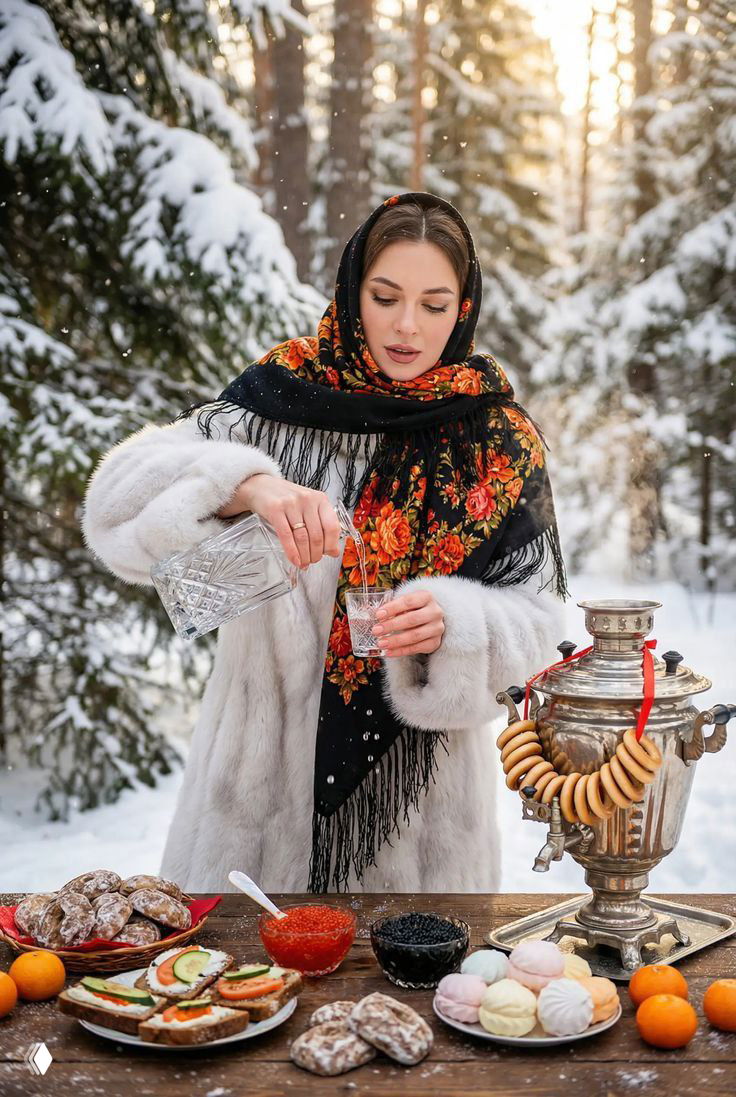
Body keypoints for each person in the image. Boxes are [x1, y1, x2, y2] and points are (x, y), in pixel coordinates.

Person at [82, 190, 568, 895]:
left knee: (412, 1002)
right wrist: (243, 484)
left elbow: (541, 631)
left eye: (434, 305)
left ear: (463, 308)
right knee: (228, 998)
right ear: (351, 290)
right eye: (385, 295)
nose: (407, 326)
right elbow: (112, 510)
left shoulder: (491, 439)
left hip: (421, 838)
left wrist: (455, 624)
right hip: (247, 824)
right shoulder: (277, 404)